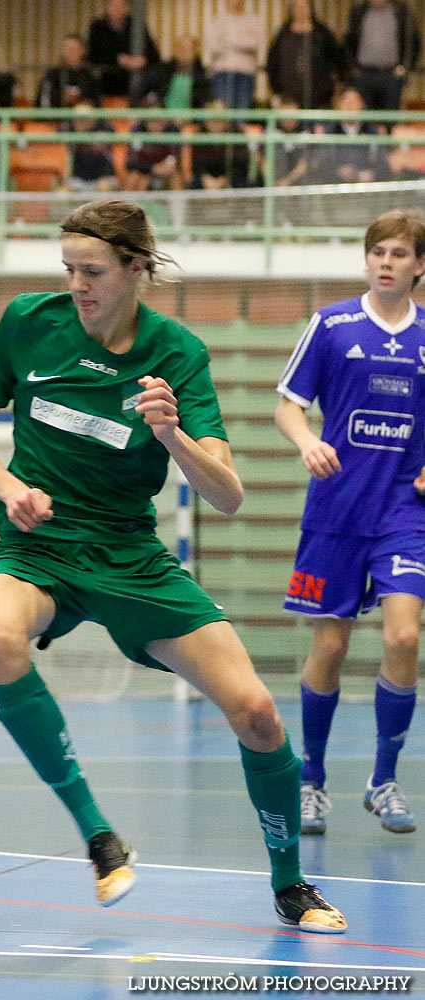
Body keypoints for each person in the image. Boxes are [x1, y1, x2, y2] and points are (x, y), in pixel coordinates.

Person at [0, 199, 347, 934]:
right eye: (69, 269)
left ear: (137, 269)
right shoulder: (27, 323)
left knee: (257, 714)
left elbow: (227, 495)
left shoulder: (177, 355)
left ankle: (291, 885)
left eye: (93, 270)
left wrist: (172, 435)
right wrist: (10, 489)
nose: (78, 284)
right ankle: (100, 837)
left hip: (130, 556)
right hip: (36, 545)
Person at [274, 209, 425, 837]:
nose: (384, 261)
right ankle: (310, 781)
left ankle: (382, 779)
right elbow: (287, 406)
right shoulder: (331, 325)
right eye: (376, 252)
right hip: (337, 508)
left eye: (397, 253)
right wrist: (307, 439)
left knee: (403, 639)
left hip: (403, 513)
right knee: (330, 645)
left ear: (420, 265)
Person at [266, 1, 348, 109]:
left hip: (320, 97)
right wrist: (276, 89)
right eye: (297, 8)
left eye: (304, 7)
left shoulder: (322, 33)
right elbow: (272, 62)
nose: (301, 11)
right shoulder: (283, 34)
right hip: (289, 99)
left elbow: (339, 58)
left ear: (310, 10)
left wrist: (340, 83)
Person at [344, 0, 421, 112]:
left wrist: (405, 67)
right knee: (363, 117)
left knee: (391, 117)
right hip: (364, 73)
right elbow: (349, 41)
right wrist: (353, 68)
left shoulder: (401, 11)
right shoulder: (359, 11)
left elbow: (414, 42)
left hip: (391, 74)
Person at [310, 87, 391, 184]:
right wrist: (338, 172)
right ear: (339, 106)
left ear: (361, 106)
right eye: (345, 102)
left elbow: (384, 167)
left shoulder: (372, 132)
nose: (349, 106)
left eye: (354, 102)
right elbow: (320, 166)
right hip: (336, 189)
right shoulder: (329, 132)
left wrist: (369, 174)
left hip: (366, 190)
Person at [87, 0, 161, 101]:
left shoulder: (137, 25)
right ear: (107, 7)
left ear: (126, 8)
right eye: (114, 5)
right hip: (106, 84)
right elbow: (93, 56)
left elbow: (154, 55)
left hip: (135, 87)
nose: (117, 9)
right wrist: (120, 60)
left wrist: (142, 60)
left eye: (121, 6)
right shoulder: (97, 26)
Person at [204, 0, 266, 110]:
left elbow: (255, 43)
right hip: (222, 72)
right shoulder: (219, 21)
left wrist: (228, 40)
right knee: (222, 110)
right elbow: (213, 46)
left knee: (242, 111)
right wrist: (242, 40)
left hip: (246, 72)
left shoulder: (254, 21)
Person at [133, 35, 212, 111]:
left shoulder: (203, 75)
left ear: (194, 52)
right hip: (163, 119)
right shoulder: (162, 70)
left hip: (191, 120)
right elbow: (141, 90)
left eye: (187, 49)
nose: (183, 52)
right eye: (180, 48)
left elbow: (205, 101)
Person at [36, 34, 103, 110]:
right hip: (57, 116)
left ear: (82, 51)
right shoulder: (52, 74)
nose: (69, 52)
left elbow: (96, 102)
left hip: (83, 118)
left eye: (72, 49)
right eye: (66, 49)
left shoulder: (91, 74)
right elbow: (44, 102)